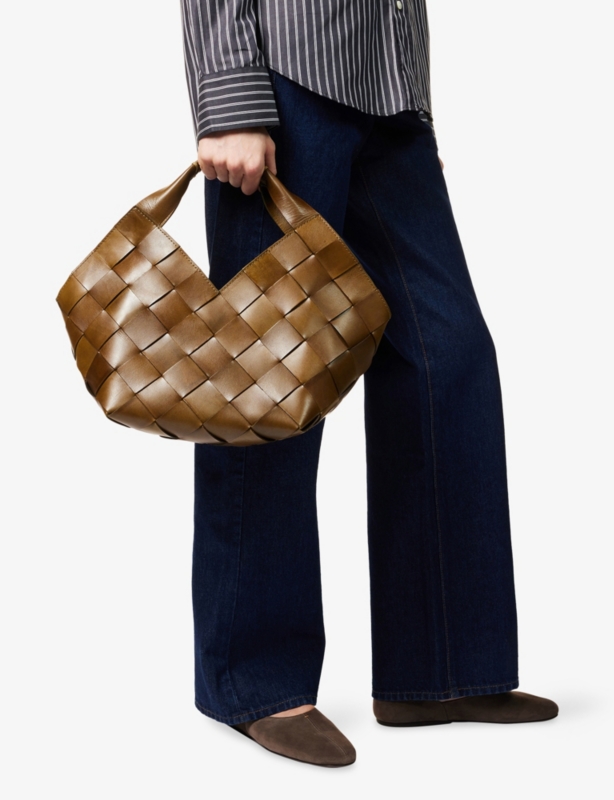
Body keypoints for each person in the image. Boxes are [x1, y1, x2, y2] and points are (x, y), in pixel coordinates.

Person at [179, 2, 558, 767]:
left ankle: (439, 670)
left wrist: (415, 104)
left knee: (448, 358)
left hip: (389, 93)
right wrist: (230, 98)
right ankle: (254, 682)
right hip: (285, 84)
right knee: (270, 377)